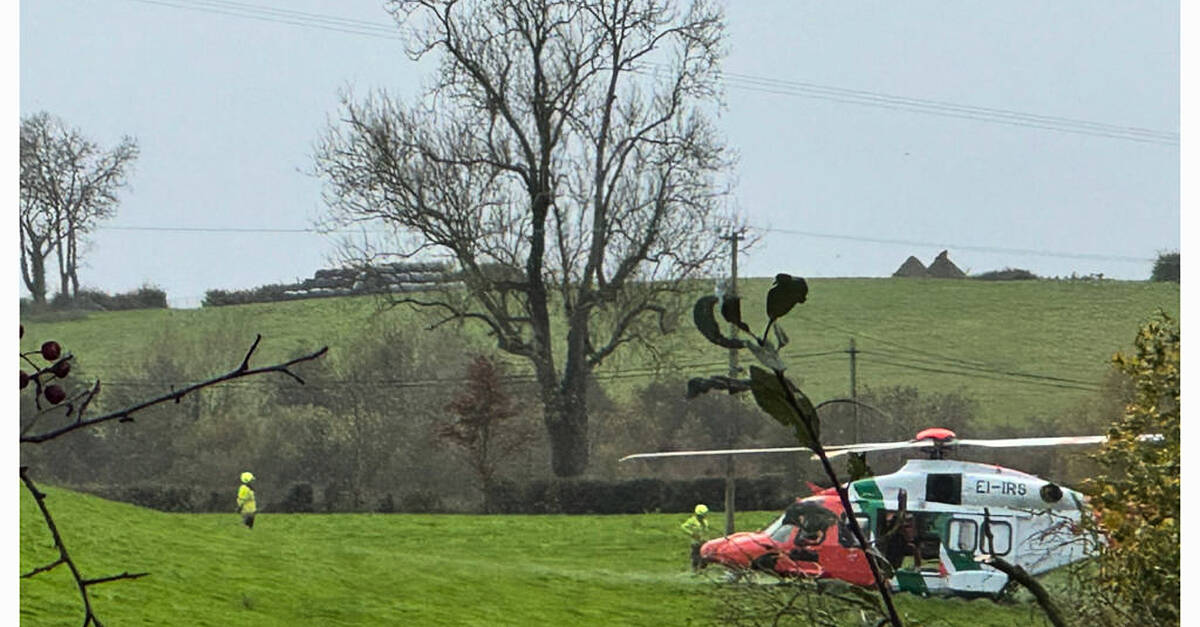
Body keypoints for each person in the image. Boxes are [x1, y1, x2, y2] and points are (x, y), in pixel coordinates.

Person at [681, 503, 710, 573]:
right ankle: (695, 570)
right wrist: (692, 533)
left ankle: (702, 569)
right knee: (695, 556)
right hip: (696, 542)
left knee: (705, 556)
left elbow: (706, 530)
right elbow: (683, 527)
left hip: (704, 541)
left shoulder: (705, 521)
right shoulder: (692, 520)